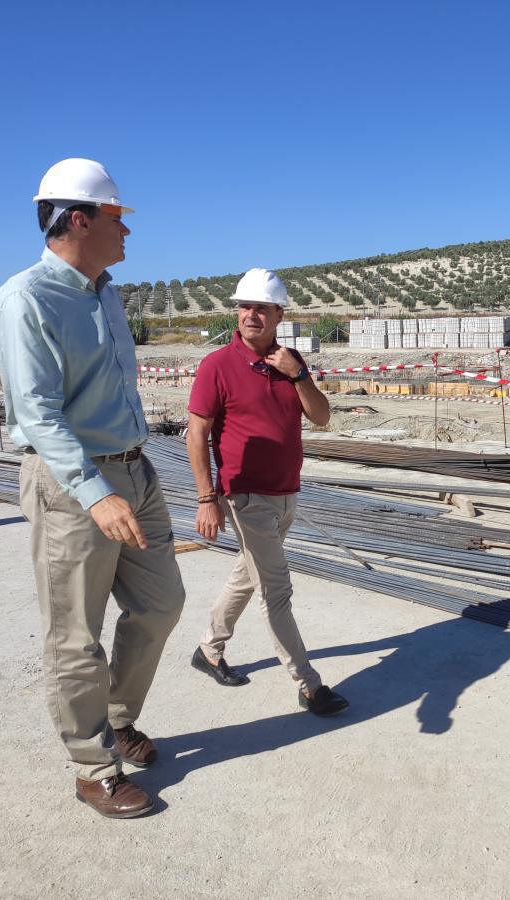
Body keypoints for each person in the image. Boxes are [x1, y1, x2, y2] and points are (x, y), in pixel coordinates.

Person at [0, 158, 186, 820]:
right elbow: (38, 413)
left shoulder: (103, 293)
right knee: (75, 635)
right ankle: (92, 764)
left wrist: (134, 471)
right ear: (80, 219)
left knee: (160, 606)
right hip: (74, 481)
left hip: (134, 469)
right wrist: (94, 490)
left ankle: (116, 715)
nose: (127, 233)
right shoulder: (27, 300)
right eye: (117, 219)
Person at [187, 268, 349, 717]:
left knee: (247, 573)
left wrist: (298, 376)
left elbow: (321, 417)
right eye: (244, 307)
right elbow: (196, 433)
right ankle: (309, 685)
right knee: (275, 590)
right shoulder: (216, 366)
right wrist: (206, 498)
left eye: (261, 308)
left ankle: (209, 648)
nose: (250, 315)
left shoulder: (290, 360)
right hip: (245, 496)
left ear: (279, 314)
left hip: (286, 494)